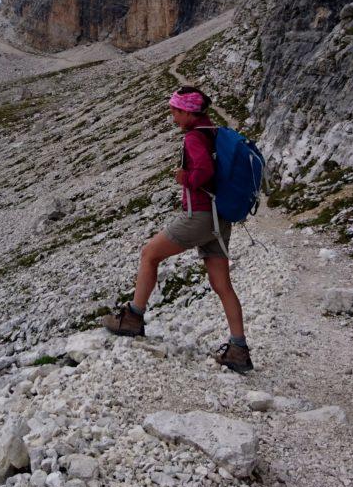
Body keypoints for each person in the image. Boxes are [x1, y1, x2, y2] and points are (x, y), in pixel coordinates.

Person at [101, 85, 253, 373]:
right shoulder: (212, 131)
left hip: (199, 216)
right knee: (222, 284)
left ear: (187, 111)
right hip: (219, 218)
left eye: (174, 111)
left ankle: (133, 317)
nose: (172, 116)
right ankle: (238, 349)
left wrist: (184, 178)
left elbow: (204, 173)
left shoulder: (194, 137)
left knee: (149, 254)